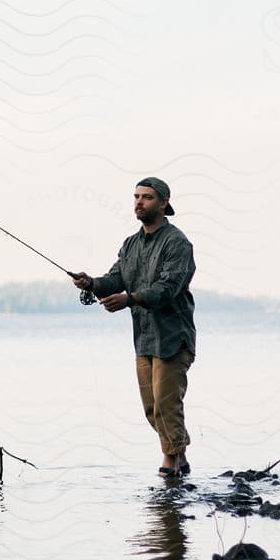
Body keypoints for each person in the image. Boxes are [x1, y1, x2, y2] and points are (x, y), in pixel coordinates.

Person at [70, 177, 197, 478]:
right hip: (144, 339)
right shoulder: (130, 244)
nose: (139, 202)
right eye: (136, 197)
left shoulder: (177, 242)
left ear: (164, 203)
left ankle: (170, 463)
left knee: (167, 405)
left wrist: (130, 299)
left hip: (173, 337)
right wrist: (91, 283)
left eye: (148, 197)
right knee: (152, 409)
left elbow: (168, 287)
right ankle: (181, 459)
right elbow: (115, 279)